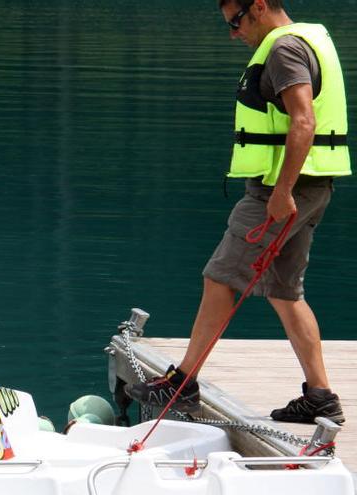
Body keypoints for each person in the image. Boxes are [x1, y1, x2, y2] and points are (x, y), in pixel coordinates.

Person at [126, 0, 348, 425]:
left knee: (220, 275)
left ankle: (183, 383)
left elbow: (304, 121)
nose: (233, 33)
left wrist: (282, 191)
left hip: (281, 189)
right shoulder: (306, 39)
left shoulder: (284, 50)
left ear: (259, 6)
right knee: (285, 292)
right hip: (309, 184)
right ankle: (320, 396)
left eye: (235, 21)